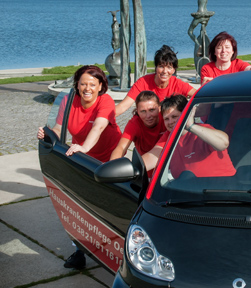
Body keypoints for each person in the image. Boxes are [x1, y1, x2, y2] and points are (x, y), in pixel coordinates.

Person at [36, 65, 122, 270]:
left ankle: (116, 249)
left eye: (93, 84)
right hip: (80, 157)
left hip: (107, 159)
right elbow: (59, 127)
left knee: (106, 205)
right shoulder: (68, 100)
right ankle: (79, 250)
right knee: (79, 207)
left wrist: (84, 147)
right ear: (77, 84)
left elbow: (99, 126)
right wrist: (47, 133)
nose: (87, 88)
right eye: (83, 83)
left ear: (101, 86)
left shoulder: (106, 101)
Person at [142, 95, 234, 178]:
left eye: (174, 116)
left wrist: (190, 126)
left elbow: (223, 143)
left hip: (224, 189)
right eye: (166, 119)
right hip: (189, 191)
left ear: (186, 115)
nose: (170, 122)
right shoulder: (169, 136)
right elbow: (152, 156)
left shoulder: (203, 130)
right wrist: (131, 169)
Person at [115, 45, 196, 117]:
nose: (165, 71)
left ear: (174, 70)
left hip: (169, 126)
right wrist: (105, 119)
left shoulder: (177, 84)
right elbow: (123, 106)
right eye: (161, 66)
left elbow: (199, 95)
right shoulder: (143, 82)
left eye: (169, 67)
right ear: (156, 68)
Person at [110, 91, 166, 160]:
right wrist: (113, 165)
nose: (148, 116)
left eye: (152, 110)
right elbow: (121, 147)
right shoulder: (135, 123)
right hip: (144, 166)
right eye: (143, 111)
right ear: (137, 111)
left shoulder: (167, 118)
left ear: (159, 108)